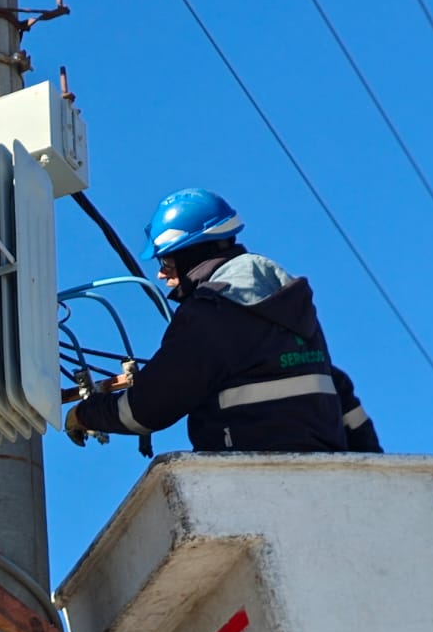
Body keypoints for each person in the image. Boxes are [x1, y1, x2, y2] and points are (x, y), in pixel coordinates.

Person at [65, 187, 381, 454]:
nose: (162, 274)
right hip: (323, 485)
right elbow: (337, 389)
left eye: (167, 260)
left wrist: (85, 413)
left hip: (248, 484)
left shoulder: (211, 313)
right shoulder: (289, 304)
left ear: (191, 253)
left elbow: (147, 409)